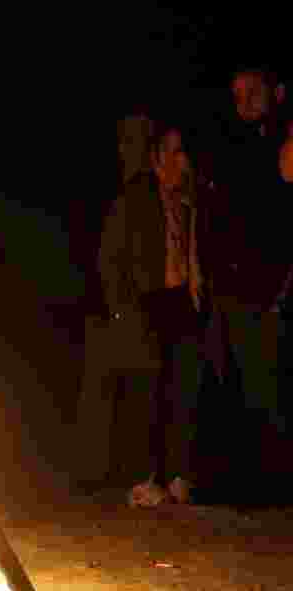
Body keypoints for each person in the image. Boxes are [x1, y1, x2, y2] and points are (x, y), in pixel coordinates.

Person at [79, 118, 207, 505]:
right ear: (155, 159)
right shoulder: (134, 198)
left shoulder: (190, 199)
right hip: (146, 301)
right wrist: (122, 310)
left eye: (182, 152)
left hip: (182, 300)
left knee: (182, 388)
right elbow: (109, 257)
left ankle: (178, 474)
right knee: (145, 392)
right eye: (171, 152)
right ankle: (142, 478)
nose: (179, 160)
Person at [200, 66, 291, 466]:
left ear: (278, 92)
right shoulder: (232, 146)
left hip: (271, 286)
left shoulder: (283, 140)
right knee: (242, 383)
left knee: (271, 385)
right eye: (238, 95)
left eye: (254, 92)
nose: (245, 103)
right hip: (233, 284)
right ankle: (253, 474)